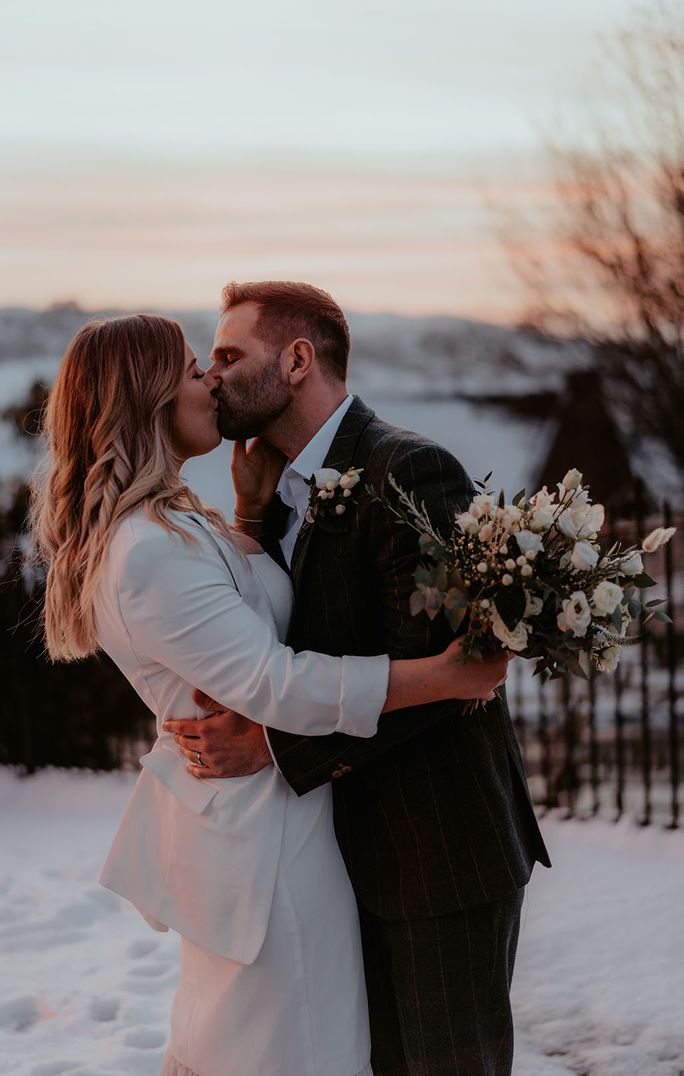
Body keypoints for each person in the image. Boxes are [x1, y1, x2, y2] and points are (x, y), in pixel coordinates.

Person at [29, 312, 512, 1076]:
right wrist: (446, 676)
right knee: (296, 1051)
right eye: (195, 367)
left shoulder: (171, 524)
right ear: (149, 395)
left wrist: (251, 511)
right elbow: (274, 682)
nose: (210, 380)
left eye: (218, 360)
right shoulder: (149, 550)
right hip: (268, 847)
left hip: (273, 828)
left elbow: (245, 627)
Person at [168, 281, 552, 1076]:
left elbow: (452, 680)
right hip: (352, 857)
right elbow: (284, 633)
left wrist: (272, 745)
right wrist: (248, 517)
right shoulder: (277, 488)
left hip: (439, 853)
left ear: (299, 359)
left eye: (230, 356)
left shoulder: (408, 468)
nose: (213, 375)